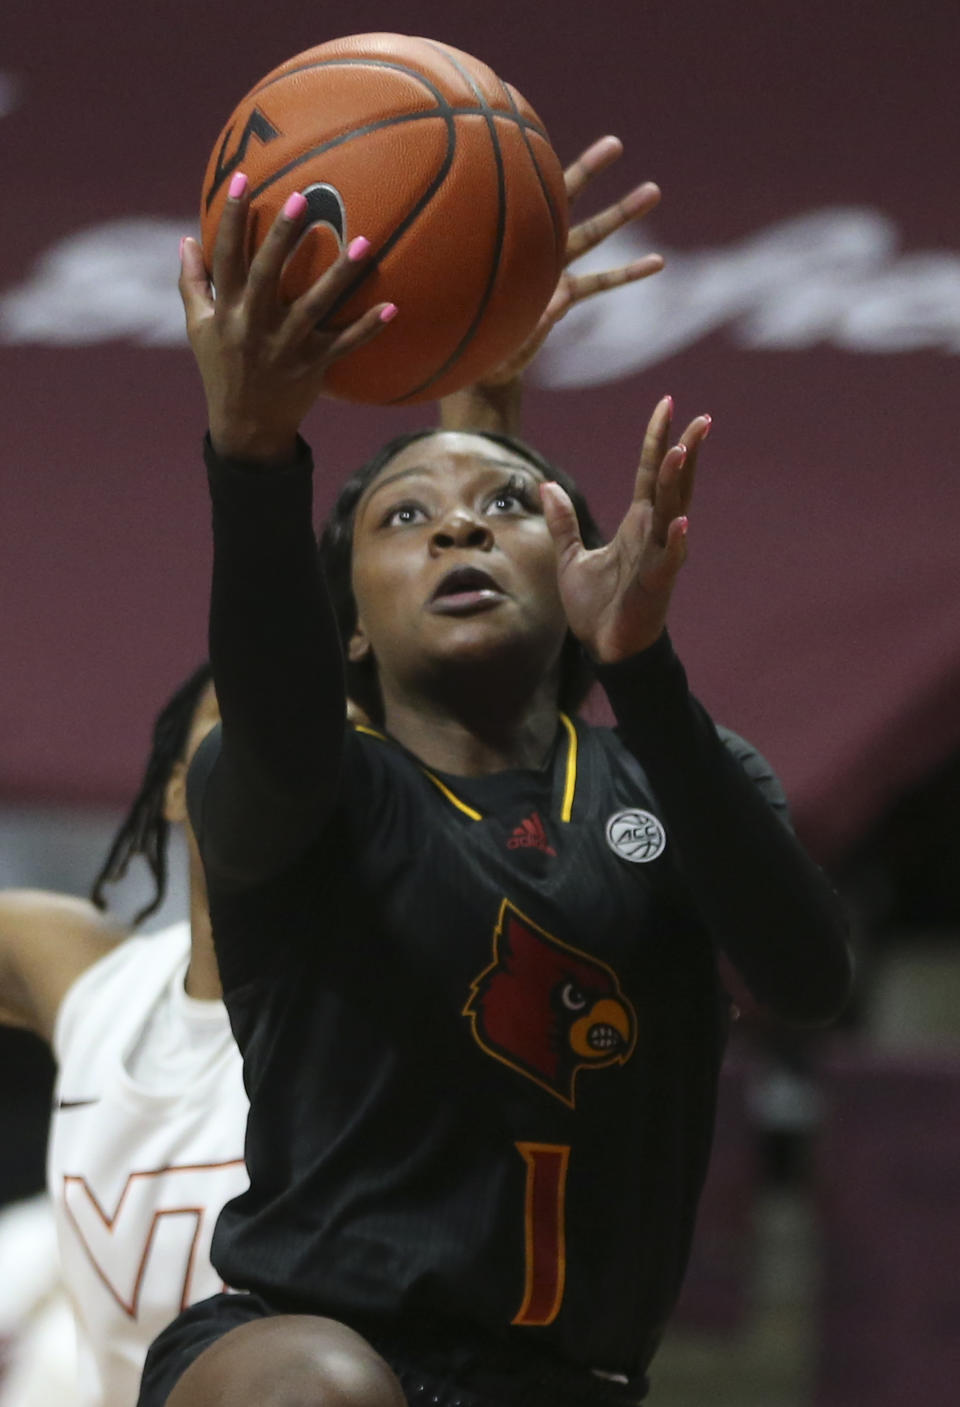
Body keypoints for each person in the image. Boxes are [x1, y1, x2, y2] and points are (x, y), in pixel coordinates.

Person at [137, 133, 851, 1407]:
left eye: (510, 508)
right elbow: (285, 717)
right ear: (345, 619)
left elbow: (806, 975)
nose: (461, 522)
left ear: (579, 571)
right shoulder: (321, 791)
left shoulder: (666, 780)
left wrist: (643, 667)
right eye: (403, 519)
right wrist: (252, 461)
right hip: (304, 1339)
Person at [0, 666, 250, 1407]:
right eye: (238, 714)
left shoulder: (406, 1013)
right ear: (174, 788)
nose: (275, 738)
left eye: (322, 722)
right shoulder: (80, 973)